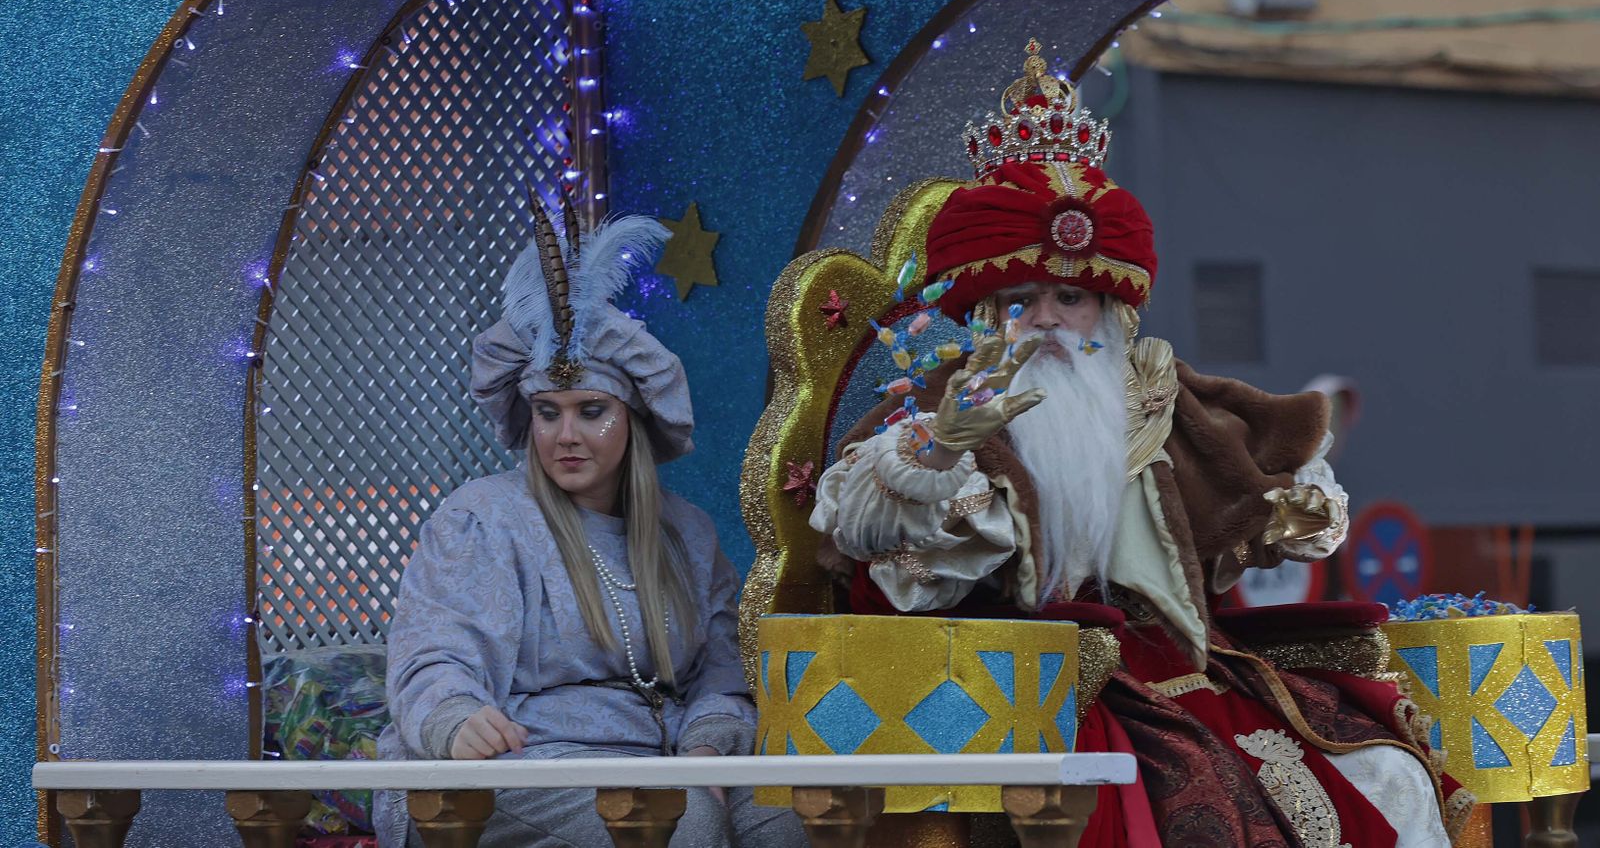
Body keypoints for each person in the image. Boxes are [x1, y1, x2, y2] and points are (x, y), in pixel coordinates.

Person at [810, 41, 1470, 847]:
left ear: (1111, 312)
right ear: (987, 312)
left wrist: (1294, 517)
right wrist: (942, 452)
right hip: (1031, 682)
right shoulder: (944, 406)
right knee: (1193, 807)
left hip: (1188, 662)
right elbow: (854, 534)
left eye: (1070, 298)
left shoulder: (1167, 400)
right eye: (1021, 299)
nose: (1045, 319)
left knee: (1387, 773)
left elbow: (1284, 499)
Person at [374, 201, 804, 848]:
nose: (565, 436)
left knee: (791, 813)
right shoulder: (485, 518)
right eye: (548, 413)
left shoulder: (685, 533)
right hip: (507, 768)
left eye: (591, 411)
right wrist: (454, 718)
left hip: (649, 761)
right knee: (684, 820)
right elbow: (434, 654)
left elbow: (721, 674)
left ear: (632, 417)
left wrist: (709, 748)